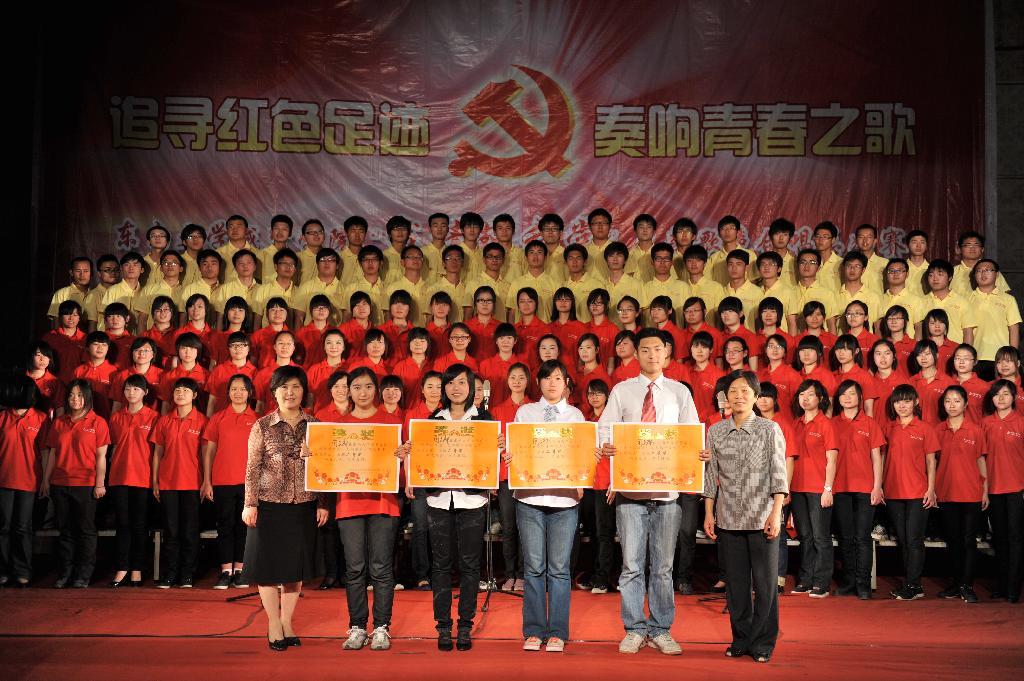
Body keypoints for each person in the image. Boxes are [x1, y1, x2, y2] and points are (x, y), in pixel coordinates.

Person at [598, 328, 700, 655]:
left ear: (666, 353)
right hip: (630, 494)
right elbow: (604, 430)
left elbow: (691, 436)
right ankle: (634, 628)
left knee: (663, 567)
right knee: (631, 565)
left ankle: (660, 629)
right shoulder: (622, 390)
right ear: (637, 353)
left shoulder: (679, 392)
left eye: (658, 349)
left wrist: (698, 454)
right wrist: (607, 446)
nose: (652, 355)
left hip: (668, 494)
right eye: (645, 349)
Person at [243, 366, 330, 651]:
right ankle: (273, 623)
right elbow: (252, 468)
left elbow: (325, 467)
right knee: (268, 568)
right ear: (274, 392)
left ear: (304, 391)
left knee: (295, 569)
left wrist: (322, 503)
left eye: (295, 387)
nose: (289, 392)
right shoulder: (262, 425)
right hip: (268, 505)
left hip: (303, 504)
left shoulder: (315, 425)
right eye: (283, 387)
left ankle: (287, 621)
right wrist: (250, 503)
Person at [704, 370, 787, 663]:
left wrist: (776, 513)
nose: (739, 396)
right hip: (728, 519)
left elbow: (779, 475)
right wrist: (708, 512)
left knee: (765, 585)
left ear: (755, 396)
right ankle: (740, 639)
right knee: (736, 586)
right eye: (733, 391)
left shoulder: (769, 429)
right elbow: (710, 476)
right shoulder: (715, 431)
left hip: (761, 518)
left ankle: (763, 642)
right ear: (725, 397)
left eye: (745, 391)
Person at [506, 360, 584, 653]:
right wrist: (509, 455)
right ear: (538, 382)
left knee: (560, 570)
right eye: (547, 378)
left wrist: (583, 477)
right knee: (534, 567)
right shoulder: (525, 413)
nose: (552, 383)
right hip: (530, 498)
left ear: (566, 384)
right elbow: (517, 450)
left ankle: (558, 632)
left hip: (564, 500)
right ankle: (534, 630)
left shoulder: (576, 416)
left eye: (558, 378)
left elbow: (582, 455)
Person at [419, 364, 496, 652]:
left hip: (471, 500)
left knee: (470, 565)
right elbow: (425, 456)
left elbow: (492, 458)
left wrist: (498, 447)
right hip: (439, 499)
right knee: (440, 564)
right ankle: (442, 625)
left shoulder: (485, 421)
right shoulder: (433, 420)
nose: (456, 388)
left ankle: (465, 625)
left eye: (462, 382)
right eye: (450, 383)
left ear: (471, 387)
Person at [334, 367, 402, 651]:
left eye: (368, 387)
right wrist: (313, 456)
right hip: (349, 502)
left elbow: (404, 469)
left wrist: (403, 457)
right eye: (357, 387)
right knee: (354, 568)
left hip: (383, 501)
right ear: (348, 391)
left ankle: (382, 627)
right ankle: (358, 626)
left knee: (381, 567)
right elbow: (327, 465)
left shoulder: (392, 423)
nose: (363, 393)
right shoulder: (338, 426)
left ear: (377, 390)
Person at [41, 379, 110, 588]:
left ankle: (83, 574)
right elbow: (53, 453)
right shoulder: (60, 422)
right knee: (65, 530)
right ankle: (65, 573)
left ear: (87, 397)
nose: (75, 399)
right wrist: (46, 480)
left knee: (85, 530)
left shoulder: (98, 422)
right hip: (60, 482)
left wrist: (100, 484)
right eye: (71, 395)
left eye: (80, 395)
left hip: (86, 484)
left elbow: (101, 457)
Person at [883, 384, 939, 600]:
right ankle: (912, 584)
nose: (902, 405)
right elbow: (882, 457)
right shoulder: (889, 428)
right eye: (898, 401)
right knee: (904, 540)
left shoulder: (925, 428)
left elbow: (931, 461)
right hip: (893, 491)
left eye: (906, 401)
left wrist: (931, 489)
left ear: (915, 402)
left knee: (914, 539)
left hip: (918, 491)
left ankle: (913, 585)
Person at [202, 374, 258, 589]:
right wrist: (207, 481)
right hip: (222, 481)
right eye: (234, 389)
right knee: (225, 526)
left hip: (248, 483)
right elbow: (209, 451)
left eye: (242, 389)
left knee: (245, 527)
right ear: (228, 393)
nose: (238, 393)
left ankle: (241, 570)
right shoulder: (218, 418)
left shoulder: (257, 419)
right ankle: (226, 571)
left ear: (249, 393)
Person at [831, 379, 885, 599]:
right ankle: (848, 581)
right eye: (843, 394)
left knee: (862, 537)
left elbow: (877, 458)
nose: (847, 398)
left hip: (865, 487)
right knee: (846, 537)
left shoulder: (870, 423)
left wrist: (877, 486)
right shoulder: (832, 423)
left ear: (860, 398)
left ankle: (863, 584)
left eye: (852, 394)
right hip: (840, 486)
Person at [150, 377, 206, 588]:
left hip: (192, 483)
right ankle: (171, 573)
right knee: (171, 530)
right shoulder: (164, 421)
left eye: (185, 390)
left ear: (195, 395)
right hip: (168, 484)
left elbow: (206, 455)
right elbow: (157, 453)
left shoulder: (203, 421)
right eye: (177, 391)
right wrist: (155, 481)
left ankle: (187, 574)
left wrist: (206, 482)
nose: (181, 394)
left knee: (190, 531)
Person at [935, 385, 987, 603]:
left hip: (971, 493)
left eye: (957, 400)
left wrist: (985, 490)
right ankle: (956, 584)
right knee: (953, 540)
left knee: (968, 540)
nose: (952, 405)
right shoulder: (938, 430)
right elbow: (932, 462)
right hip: (946, 492)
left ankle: (967, 584)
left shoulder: (975, 430)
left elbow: (981, 460)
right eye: (948, 401)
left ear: (965, 404)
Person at [107, 374, 159, 587]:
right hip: (119, 476)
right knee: (122, 524)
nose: (131, 392)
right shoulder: (116, 417)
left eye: (136, 389)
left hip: (143, 477)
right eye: (128, 389)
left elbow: (157, 451)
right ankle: (122, 567)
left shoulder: (154, 417)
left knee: (140, 525)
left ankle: (137, 568)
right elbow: (111, 447)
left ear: (145, 392)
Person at [790, 379, 838, 598]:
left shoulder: (826, 424)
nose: (805, 398)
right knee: (805, 536)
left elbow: (832, 460)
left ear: (820, 398)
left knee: (820, 536)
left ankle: (821, 582)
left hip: (819, 488)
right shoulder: (795, 424)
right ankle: (805, 579)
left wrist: (828, 488)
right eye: (802, 395)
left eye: (810, 394)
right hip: (797, 487)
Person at [0, 375, 48, 587]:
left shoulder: (41, 418)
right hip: (3, 480)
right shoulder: (2, 417)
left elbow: (45, 451)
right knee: (3, 526)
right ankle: (3, 570)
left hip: (29, 480)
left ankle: (23, 570)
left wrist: (45, 479)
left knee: (23, 527)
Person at [489, 363, 532, 590]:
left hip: (528, 476)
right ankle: (509, 574)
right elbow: (491, 447)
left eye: (521, 377)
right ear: (507, 381)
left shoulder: (534, 408)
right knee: (508, 527)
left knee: (526, 527)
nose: (517, 381)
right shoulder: (497, 410)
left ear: (528, 381)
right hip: (506, 476)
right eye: (513, 377)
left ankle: (523, 574)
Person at [981, 380, 1024, 602]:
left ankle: (1014, 587)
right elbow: (980, 457)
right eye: (997, 394)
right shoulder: (985, 423)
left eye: (1006, 394)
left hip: (1017, 488)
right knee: (999, 538)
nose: (1001, 398)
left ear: (1014, 397)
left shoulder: (1021, 422)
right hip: (993, 488)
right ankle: (1002, 584)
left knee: (1016, 538)